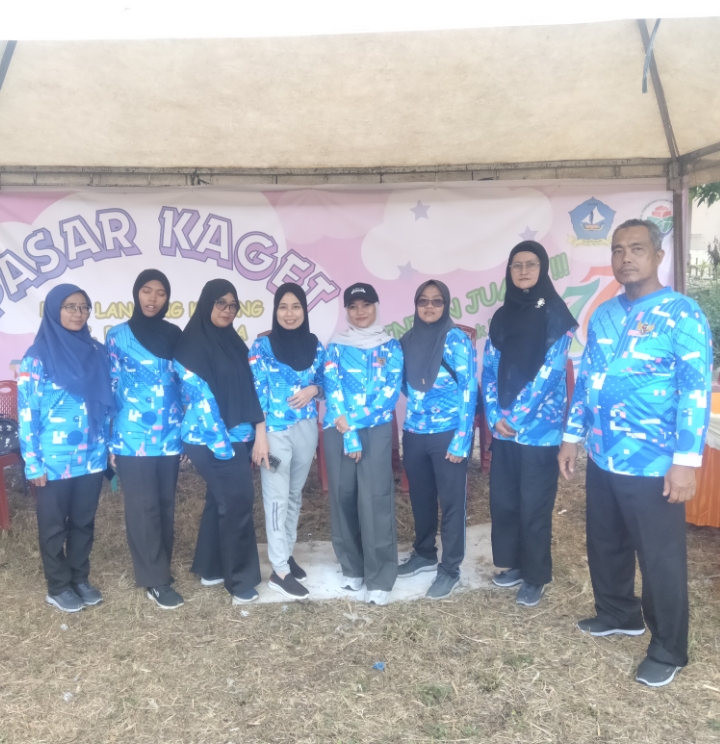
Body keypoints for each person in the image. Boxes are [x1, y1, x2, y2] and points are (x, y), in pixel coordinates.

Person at [558, 218, 712, 688]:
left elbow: (695, 392)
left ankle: (668, 648)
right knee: (605, 541)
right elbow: (588, 379)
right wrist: (571, 436)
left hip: (654, 461)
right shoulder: (604, 313)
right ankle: (618, 613)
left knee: (659, 556)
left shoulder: (683, 314)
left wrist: (685, 462)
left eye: (637, 249)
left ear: (658, 256)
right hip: (604, 454)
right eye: (618, 249)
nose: (626, 258)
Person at [482, 241, 577, 607]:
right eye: (516, 265)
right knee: (505, 500)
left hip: (539, 432)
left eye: (531, 264)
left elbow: (551, 373)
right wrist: (495, 415)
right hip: (504, 430)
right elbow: (489, 368)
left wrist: (515, 417)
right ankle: (515, 564)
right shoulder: (502, 316)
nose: (523, 271)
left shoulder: (556, 314)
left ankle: (535, 575)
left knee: (534, 504)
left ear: (543, 269)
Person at [17, 283, 115, 612]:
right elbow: (27, 413)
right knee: (54, 525)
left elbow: (106, 404)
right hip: (53, 459)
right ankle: (58, 586)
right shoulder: (37, 356)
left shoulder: (97, 351)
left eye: (84, 307)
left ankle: (79, 578)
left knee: (83, 521)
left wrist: (108, 447)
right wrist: (33, 463)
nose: (78, 313)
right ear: (54, 310)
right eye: (70, 307)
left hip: (91, 455)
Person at [174, 279, 265, 605]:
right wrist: (224, 450)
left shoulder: (232, 342)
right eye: (220, 303)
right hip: (209, 438)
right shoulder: (190, 347)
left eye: (232, 305)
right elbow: (202, 402)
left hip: (236, 435)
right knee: (238, 500)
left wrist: (253, 433)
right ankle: (239, 580)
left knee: (221, 499)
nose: (227, 310)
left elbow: (249, 385)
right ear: (206, 303)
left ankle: (210, 567)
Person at [106, 269, 184, 610]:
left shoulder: (175, 334)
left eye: (161, 293)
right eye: (147, 291)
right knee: (143, 506)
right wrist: (110, 438)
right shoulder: (117, 336)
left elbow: (184, 382)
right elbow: (110, 386)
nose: (153, 298)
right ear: (136, 293)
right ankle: (154, 580)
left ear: (167, 298)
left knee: (165, 502)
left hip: (170, 432)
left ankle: (160, 564)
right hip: (131, 434)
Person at [323, 283, 404, 605]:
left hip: (375, 430)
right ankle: (352, 568)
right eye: (353, 306)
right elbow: (332, 387)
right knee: (342, 496)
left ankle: (380, 577)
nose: (360, 312)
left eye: (366, 305)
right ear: (346, 310)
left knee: (375, 499)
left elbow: (389, 394)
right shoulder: (335, 347)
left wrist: (353, 425)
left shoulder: (391, 346)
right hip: (338, 429)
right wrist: (348, 432)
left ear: (376, 307)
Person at [397, 279, 477, 599]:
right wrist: (421, 408)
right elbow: (403, 385)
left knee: (452, 502)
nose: (429, 306)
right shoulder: (407, 340)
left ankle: (450, 568)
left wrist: (462, 439)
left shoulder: (456, 340)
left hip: (448, 435)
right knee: (421, 498)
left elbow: (469, 389)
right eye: (423, 301)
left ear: (446, 305)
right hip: (414, 433)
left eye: (437, 301)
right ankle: (424, 553)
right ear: (416, 305)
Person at [249, 283, 325, 600]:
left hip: (306, 428)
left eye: (295, 307)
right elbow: (254, 393)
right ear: (275, 310)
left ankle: (286, 553)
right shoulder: (262, 347)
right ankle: (279, 571)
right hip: (274, 432)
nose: (289, 313)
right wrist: (260, 437)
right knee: (276, 499)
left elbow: (326, 380)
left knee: (294, 496)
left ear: (304, 310)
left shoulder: (314, 344)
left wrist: (314, 390)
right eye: (283, 307)